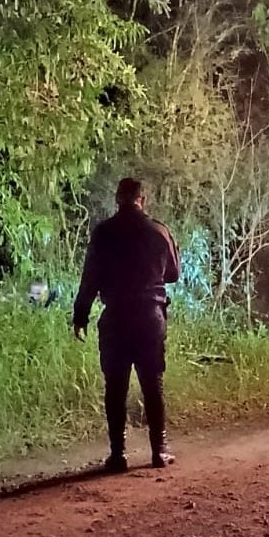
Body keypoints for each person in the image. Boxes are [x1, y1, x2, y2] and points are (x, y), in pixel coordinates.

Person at [73, 178, 180, 472]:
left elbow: (90, 278)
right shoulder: (159, 231)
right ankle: (159, 451)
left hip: (116, 318)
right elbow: (173, 274)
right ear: (142, 199)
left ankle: (118, 455)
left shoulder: (103, 233)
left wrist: (80, 315)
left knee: (115, 387)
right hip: (149, 317)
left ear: (117, 199)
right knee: (152, 385)